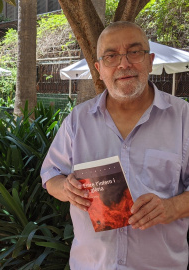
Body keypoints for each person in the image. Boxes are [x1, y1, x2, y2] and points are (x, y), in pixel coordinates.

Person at [40, 21, 189, 270]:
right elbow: (50, 175)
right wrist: (67, 189)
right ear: (99, 69)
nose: (124, 63)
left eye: (134, 52)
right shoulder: (78, 121)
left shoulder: (184, 118)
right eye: (111, 56)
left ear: (150, 60)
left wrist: (171, 207)